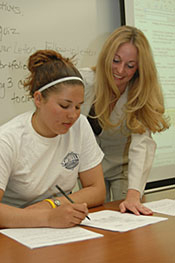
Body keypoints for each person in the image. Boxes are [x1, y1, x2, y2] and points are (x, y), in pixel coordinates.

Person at [0, 50, 106, 229]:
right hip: (14, 233)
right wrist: (48, 217)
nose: (72, 115)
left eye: (78, 106)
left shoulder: (79, 125)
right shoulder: (8, 139)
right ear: (38, 99)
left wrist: (52, 205)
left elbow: (97, 189)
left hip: (58, 229)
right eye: (64, 105)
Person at [79, 25, 169, 215]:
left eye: (130, 65)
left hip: (124, 168)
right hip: (91, 167)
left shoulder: (140, 93)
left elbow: (141, 143)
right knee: (93, 217)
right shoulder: (84, 81)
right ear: (106, 57)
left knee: (128, 213)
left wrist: (134, 194)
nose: (120, 71)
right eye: (116, 60)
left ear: (139, 68)